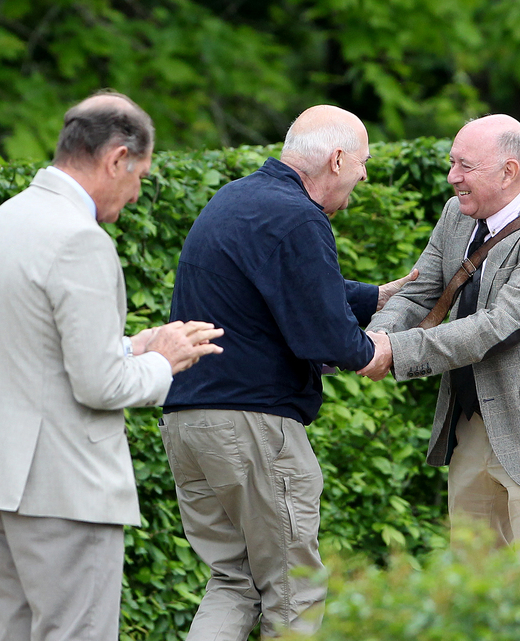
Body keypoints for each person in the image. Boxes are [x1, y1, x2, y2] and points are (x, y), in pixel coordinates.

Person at [0, 91, 225, 641]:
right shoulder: (80, 240)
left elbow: (37, 351)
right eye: (140, 173)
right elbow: (101, 386)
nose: (139, 190)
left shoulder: (6, 219)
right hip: (63, 484)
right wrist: (165, 364)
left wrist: (132, 346)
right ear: (116, 158)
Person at [160, 104, 412, 639]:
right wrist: (383, 350)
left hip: (188, 421)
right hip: (252, 426)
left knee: (232, 581)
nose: (364, 175)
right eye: (362, 163)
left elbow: (288, 289)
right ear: (337, 158)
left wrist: (380, 295)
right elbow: (327, 337)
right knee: (294, 587)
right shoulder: (299, 217)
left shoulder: (238, 198)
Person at [363, 114, 520, 570]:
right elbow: (419, 290)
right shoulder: (457, 215)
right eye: (453, 163)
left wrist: (396, 354)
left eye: (465, 166)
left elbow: (498, 326)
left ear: (509, 171)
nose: (453, 177)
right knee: (475, 587)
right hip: (470, 424)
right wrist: (378, 336)